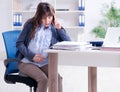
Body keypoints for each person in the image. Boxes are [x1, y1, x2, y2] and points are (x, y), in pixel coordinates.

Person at [16, 2, 71, 92]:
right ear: (39, 16)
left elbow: (68, 42)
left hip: (44, 63)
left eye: (49, 17)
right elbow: (19, 43)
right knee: (43, 79)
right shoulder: (30, 24)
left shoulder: (54, 28)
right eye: (44, 18)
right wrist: (32, 56)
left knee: (58, 79)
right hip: (27, 62)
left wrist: (60, 29)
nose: (47, 21)